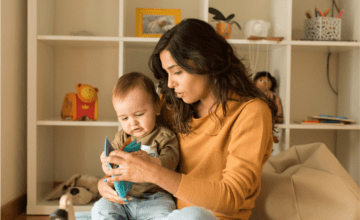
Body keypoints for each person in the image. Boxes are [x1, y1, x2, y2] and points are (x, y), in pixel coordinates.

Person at [98, 18, 278, 220]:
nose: (170, 83)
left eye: (177, 72)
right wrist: (106, 182)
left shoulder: (251, 112)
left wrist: (152, 172)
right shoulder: (171, 105)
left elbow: (231, 198)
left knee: (192, 216)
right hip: (163, 213)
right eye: (166, 74)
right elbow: (136, 147)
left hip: (210, 217)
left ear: (206, 61)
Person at [91, 72, 180, 220]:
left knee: (166, 215)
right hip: (125, 198)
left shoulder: (164, 136)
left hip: (156, 198)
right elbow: (111, 161)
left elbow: (171, 161)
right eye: (124, 118)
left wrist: (151, 162)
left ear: (157, 107)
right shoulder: (122, 137)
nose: (132, 123)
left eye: (139, 114)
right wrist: (106, 163)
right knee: (101, 208)